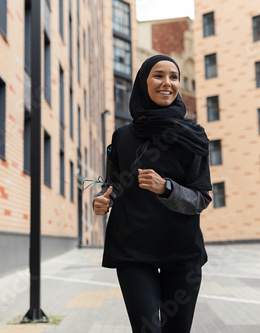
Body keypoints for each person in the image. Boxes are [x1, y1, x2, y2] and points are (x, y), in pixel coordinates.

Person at [93, 55, 212, 333]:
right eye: (158, 75)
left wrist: (166, 188)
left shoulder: (194, 136)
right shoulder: (122, 136)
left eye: (174, 77)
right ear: (143, 82)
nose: (167, 83)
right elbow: (114, 183)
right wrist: (104, 199)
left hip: (181, 250)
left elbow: (201, 198)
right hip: (133, 249)